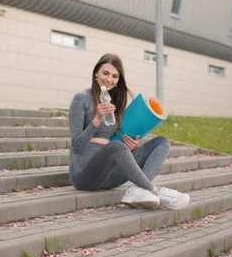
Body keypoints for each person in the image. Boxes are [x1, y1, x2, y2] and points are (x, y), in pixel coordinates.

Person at [68, 53, 190, 210]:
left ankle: (138, 190)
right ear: (96, 73)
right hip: (84, 174)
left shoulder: (114, 104)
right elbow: (77, 145)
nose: (109, 79)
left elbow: (115, 139)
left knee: (162, 142)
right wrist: (96, 120)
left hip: (109, 174)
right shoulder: (81, 98)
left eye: (115, 76)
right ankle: (155, 191)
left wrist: (134, 146)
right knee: (117, 147)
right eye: (105, 73)